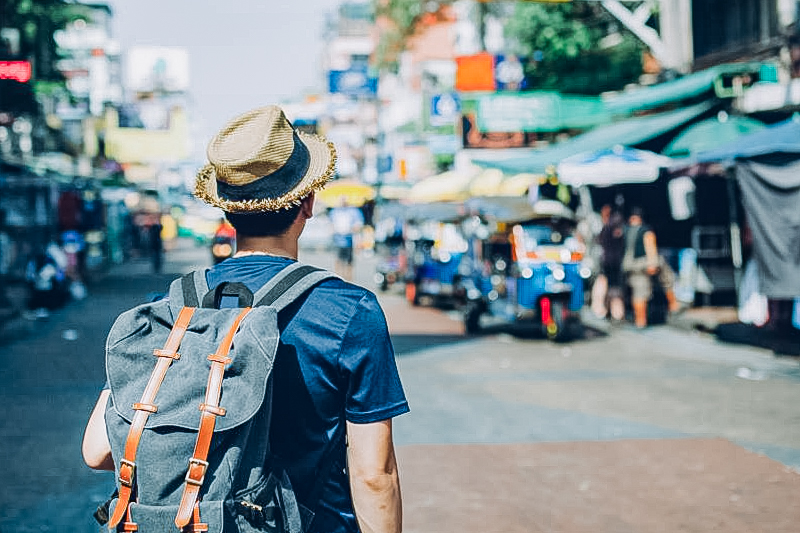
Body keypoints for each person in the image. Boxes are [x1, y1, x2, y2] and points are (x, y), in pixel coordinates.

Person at [82, 105, 408, 533]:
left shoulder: (171, 310)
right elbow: (373, 475)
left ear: (226, 210)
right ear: (308, 203)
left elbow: (98, 450)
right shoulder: (349, 311)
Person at [622, 207, 678, 328]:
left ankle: (639, 322)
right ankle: (673, 305)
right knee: (664, 281)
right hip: (644, 263)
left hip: (629, 266)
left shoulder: (625, 230)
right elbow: (650, 247)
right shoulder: (645, 231)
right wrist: (652, 263)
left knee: (638, 291)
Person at [592, 205, 626, 321]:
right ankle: (614, 312)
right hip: (613, 263)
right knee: (613, 288)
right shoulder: (612, 225)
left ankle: (608, 311)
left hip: (609, 262)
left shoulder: (610, 226)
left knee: (609, 286)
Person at [329, 196, 364, 280]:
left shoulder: (354, 211)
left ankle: (348, 280)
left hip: (349, 240)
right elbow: (330, 224)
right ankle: (338, 278)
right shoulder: (335, 211)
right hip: (338, 239)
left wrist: (350, 230)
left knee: (349, 261)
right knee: (338, 260)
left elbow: (359, 224)